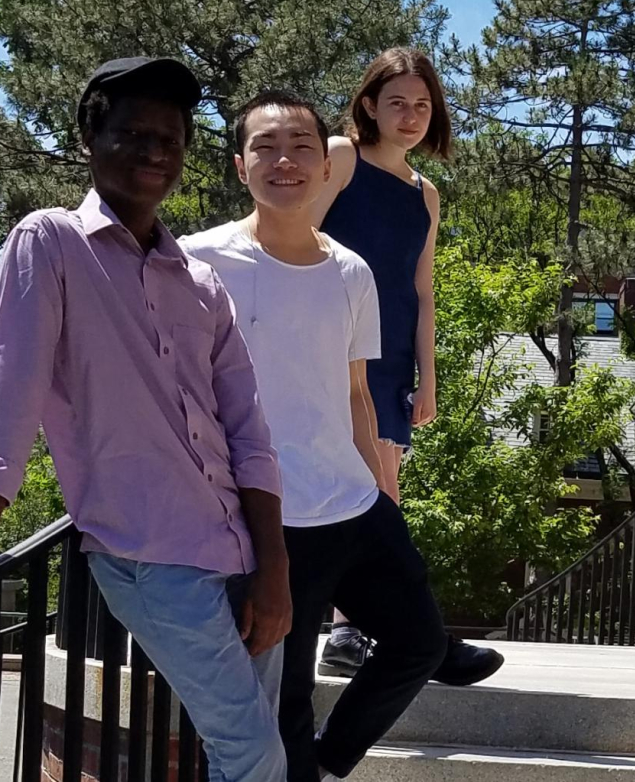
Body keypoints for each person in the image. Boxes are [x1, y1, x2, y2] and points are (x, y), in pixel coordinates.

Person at [0, 58, 289, 780]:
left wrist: (276, 568)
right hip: (149, 555)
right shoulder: (51, 243)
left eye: (171, 139)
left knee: (249, 748)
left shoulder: (199, 281)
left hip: (241, 551)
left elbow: (248, 428)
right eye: (132, 134)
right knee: (252, 754)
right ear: (91, 138)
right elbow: (11, 389)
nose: (155, 152)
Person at [181, 91, 451, 782]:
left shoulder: (350, 271)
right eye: (267, 147)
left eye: (302, 146)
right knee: (286, 699)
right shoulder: (197, 263)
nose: (286, 161)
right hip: (269, 518)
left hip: (352, 504)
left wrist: (381, 489)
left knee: (421, 642)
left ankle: (331, 765)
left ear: (327, 167)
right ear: (240, 165)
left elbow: (357, 392)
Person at [306, 47, 502, 682]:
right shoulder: (339, 156)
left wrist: (429, 376)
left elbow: (422, 291)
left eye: (423, 105)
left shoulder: (427, 194)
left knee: (379, 494)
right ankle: (385, 633)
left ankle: (360, 630)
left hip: (388, 363)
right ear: (370, 105)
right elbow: (291, 240)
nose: (411, 115)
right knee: (368, 495)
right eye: (397, 103)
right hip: (326, 347)